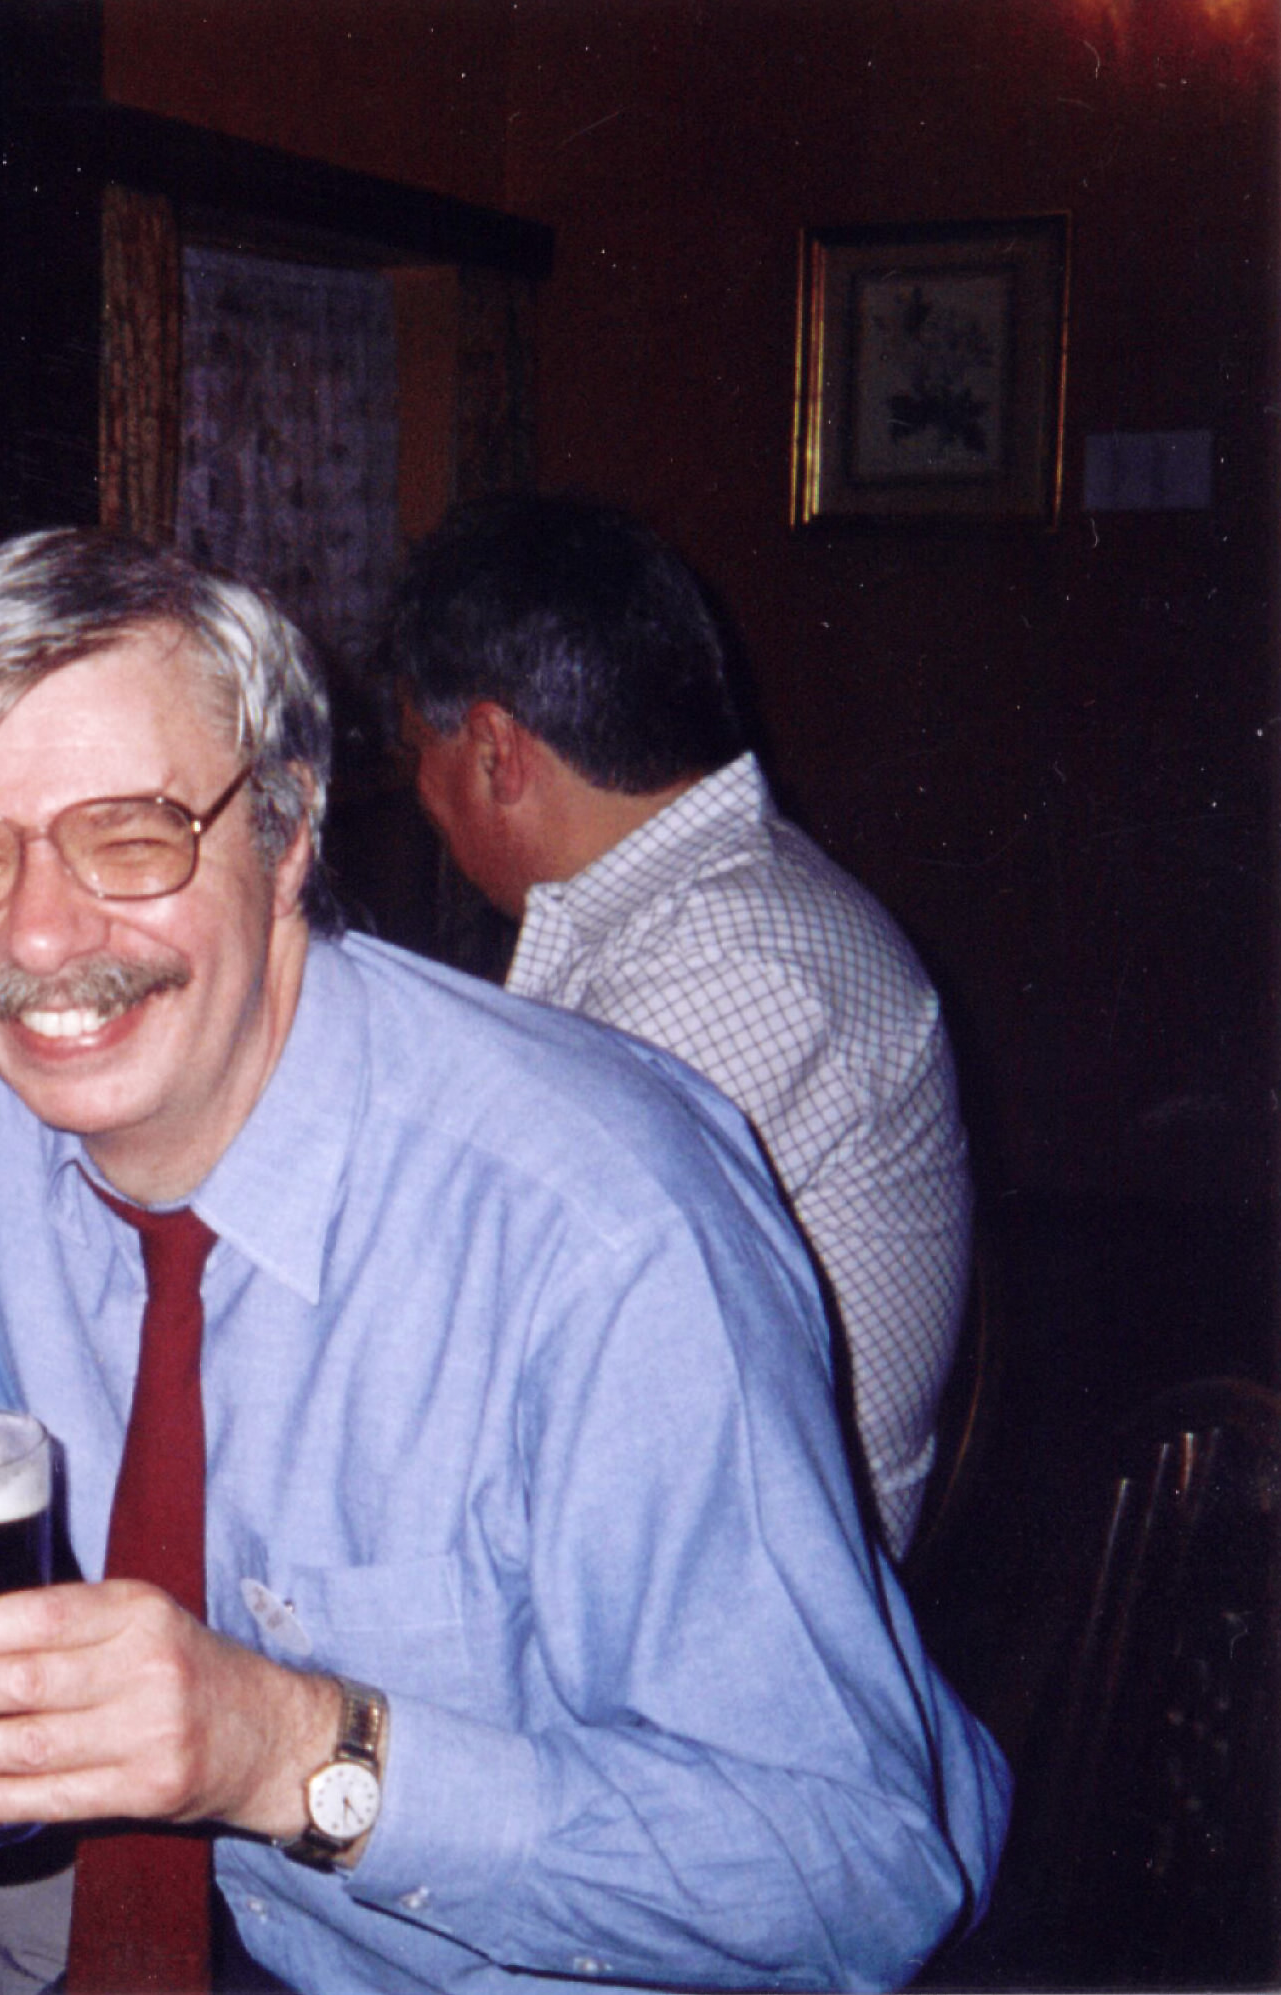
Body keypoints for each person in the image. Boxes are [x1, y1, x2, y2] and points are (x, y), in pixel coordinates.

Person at [0, 528, 1006, 1992]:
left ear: (285, 830)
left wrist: (276, 1748)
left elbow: (856, 1870)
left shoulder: (597, 1229)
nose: (40, 934)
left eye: (129, 836)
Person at [384, 493, 970, 1557]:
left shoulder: (734, 961)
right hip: (671, 1517)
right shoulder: (681, 909)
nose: (419, 790)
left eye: (417, 747)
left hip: (747, 1588)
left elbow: (483, 1308)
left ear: (494, 751)